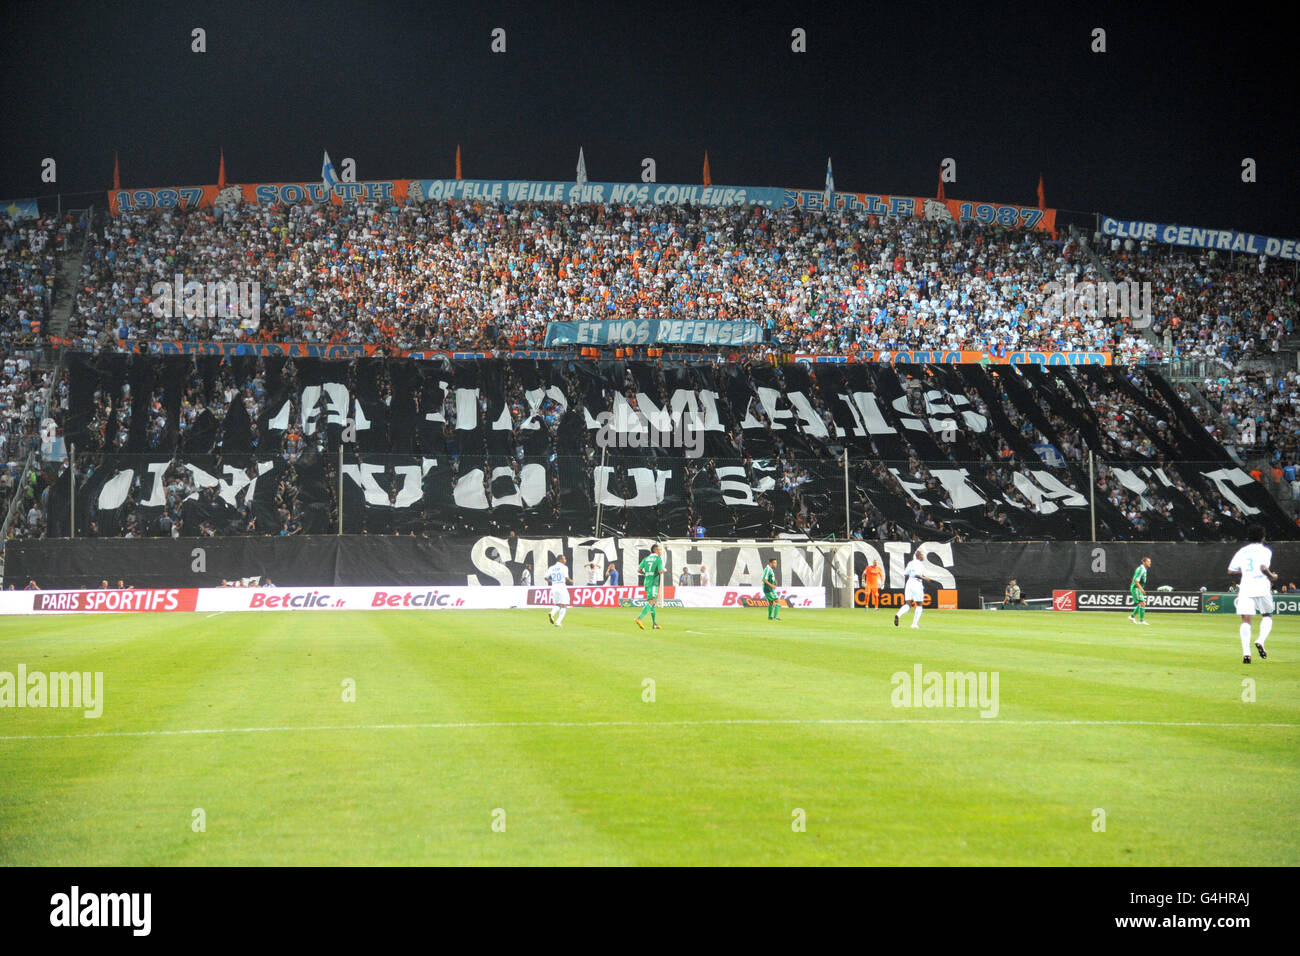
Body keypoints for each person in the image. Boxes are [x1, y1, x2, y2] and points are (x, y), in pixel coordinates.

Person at [1228, 524, 1277, 663]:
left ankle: (1246, 654)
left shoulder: (1242, 551)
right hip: (1261, 585)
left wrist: (1244, 571)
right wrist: (1272, 576)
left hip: (1246, 586)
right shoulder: (1265, 551)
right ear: (1263, 536)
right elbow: (1263, 568)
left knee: (1246, 620)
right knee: (1267, 615)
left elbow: (1231, 571)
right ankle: (1261, 640)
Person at [894, 550, 929, 629]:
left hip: (909, 583)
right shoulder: (920, 564)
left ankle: (898, 615)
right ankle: (914, 624)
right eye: (922, 555)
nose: (923, 557)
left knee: (908, 604)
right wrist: (925, 578)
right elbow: (917, 575)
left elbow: (906, 574)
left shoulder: (910, 563)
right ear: (919, 556)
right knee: (919, 604)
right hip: (917, 583)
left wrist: (912, 575)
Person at [635, 544, 664, 630]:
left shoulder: (646, 558)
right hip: (653, 583)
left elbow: (639, 570)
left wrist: (646, 574)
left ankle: (655, 624)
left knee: (653, 604)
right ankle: (639, 618)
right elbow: (660, 571)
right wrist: (664, 570)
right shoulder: (658, 559)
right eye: (659, 550)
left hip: (646, 582)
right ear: (655, 550)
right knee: (652, 601)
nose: (660, 552)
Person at [545, 555, 572, 627]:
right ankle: (558, 622)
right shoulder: (564, 567)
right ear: (560, 559)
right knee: (564, 604)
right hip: (561, 586)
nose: (565, 560)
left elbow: (546, 577)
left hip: (554, 586)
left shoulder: (551, 568)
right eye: (564, 559)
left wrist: (553, 581)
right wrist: (571, 581)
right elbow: (566, 578)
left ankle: (552, 613)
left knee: (558, 604)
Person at [1128, 556, 1152, 625]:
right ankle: (1140, 620)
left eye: (1150, 561)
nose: (1150, 563)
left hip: (1138, 588)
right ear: (1144, 562)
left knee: (1142, 604)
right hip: (1136, 588)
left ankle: (1132, 617)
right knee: (1142, 603)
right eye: (1148, 561)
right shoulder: (1141, 569)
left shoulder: (1144, 569)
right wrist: (1141, 589)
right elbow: (1135, 580)